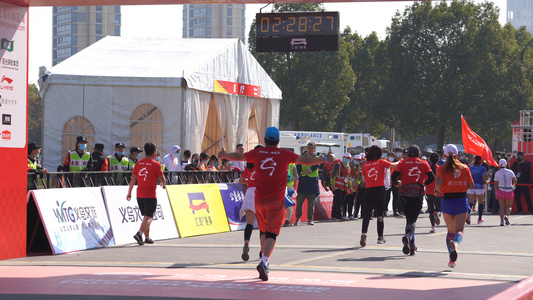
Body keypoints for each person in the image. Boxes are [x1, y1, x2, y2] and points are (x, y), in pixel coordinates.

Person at [218, 127, 326, 281]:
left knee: (263, 230)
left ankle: (264, 257)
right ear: (278, 141)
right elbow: (306, 161)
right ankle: (264, 261)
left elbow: (239, 156)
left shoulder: (257, 153)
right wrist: (324, 159)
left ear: (264, 140)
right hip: (276, 200)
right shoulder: (285, 154)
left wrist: (225, 155)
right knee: (272, 233)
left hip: (259, 200)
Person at [434, 144, 474, 268]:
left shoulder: (441, 168)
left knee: (450, 232)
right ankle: (455, 245)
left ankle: (452, 259)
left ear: (444, 155)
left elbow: (439, 182)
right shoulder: (464, 167)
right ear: (458, 155)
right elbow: (471, 186)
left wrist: (436, 191)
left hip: (447, 200)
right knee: (459, 231)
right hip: (461, 200)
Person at [391, 145, 434, 256]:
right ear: (419, 154)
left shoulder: (402, 163)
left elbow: (394, 176)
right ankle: (408, 237)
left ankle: (412, 246)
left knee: (408, 220)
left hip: (404, 194)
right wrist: (423, 184)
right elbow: (432, 177)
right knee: (412, 221)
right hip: (417, 194)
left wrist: (397, 184)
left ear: (408, 154)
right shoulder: (423, 163)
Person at [127, 142, 166, 245]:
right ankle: (139, 233)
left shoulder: (138, 163)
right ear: (154, 152)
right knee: (149, 216)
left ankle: (147, 237)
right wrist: (164, 184)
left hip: (139, 194)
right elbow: (162, 179)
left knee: (145, 216)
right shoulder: (156, 165)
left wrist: (129, 192)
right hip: (150, 194)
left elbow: (133, 179)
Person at [360, 145, 396, 247]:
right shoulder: (381, 162)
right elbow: (393, 166)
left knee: (367, 214)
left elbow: (364, 180)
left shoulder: (365, 165)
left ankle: (364, 233)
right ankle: (380, 237)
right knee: (380, 214)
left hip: (369, 190)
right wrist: (401, 161)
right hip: (379, 190)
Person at [238, 144, 263, 261]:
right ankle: (262, 250)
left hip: (249, 193)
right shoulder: (264, 166)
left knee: (249, 224)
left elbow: (241, 180)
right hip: (260, 193)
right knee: (263, 225)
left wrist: (250, 180)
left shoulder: (249, 166)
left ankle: (246, 243)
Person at [294, 142, 320, 226]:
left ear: (314, 149)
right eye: (309, 147)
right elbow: (297, 170)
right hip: (302, 183)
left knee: (311, 204)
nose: (310, 149)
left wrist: (301, 173)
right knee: (299, 203)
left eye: (312, 148)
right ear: (306, 148)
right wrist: (297, 175)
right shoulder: (301, 158)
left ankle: (309, 219)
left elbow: (311, 169)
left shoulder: (317, 159)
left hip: (312, 184)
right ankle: (297, 219)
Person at [329, 153, 352, 222]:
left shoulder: (348, 167)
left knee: (339, 201)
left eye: (349, 158)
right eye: (346, 158)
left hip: (344, 187)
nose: (347, 159)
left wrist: (350, 186)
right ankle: (338, 216)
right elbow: (333, 175)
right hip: (337, 186)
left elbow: (349, 178)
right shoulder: (338, 165)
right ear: (343, 157)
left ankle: (334, 215)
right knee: (339, 201)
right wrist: (332, 184)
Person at [494, 158, 517, 226]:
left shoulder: (497, 173)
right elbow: (515, 179)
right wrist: (514, 186)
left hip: (501, 190)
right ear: (506, 165)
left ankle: (501, 221)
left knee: (501, 207)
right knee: (509, 207)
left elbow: (495, 183)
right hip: (509, 190)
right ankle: (506, 215)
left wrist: (496, 192)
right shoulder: (510, 172)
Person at [467, 155, 489, 224]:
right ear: (481, 161)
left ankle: (468, 214)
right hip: (479, 187)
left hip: (471, 186)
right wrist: (486, 182)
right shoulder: (482, 168)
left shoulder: (470, 167)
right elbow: (484, 178)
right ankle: (479, 218)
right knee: (480, 203)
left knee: (470, 202)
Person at [426, 153, 442, 233]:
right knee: (438, 207)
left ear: (429, 159)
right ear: (438, 160)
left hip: (429, 190)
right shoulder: (440, 169)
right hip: (438, 190)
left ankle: (433, 227)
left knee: (430, 209)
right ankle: (438, 213)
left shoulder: (428, 169)